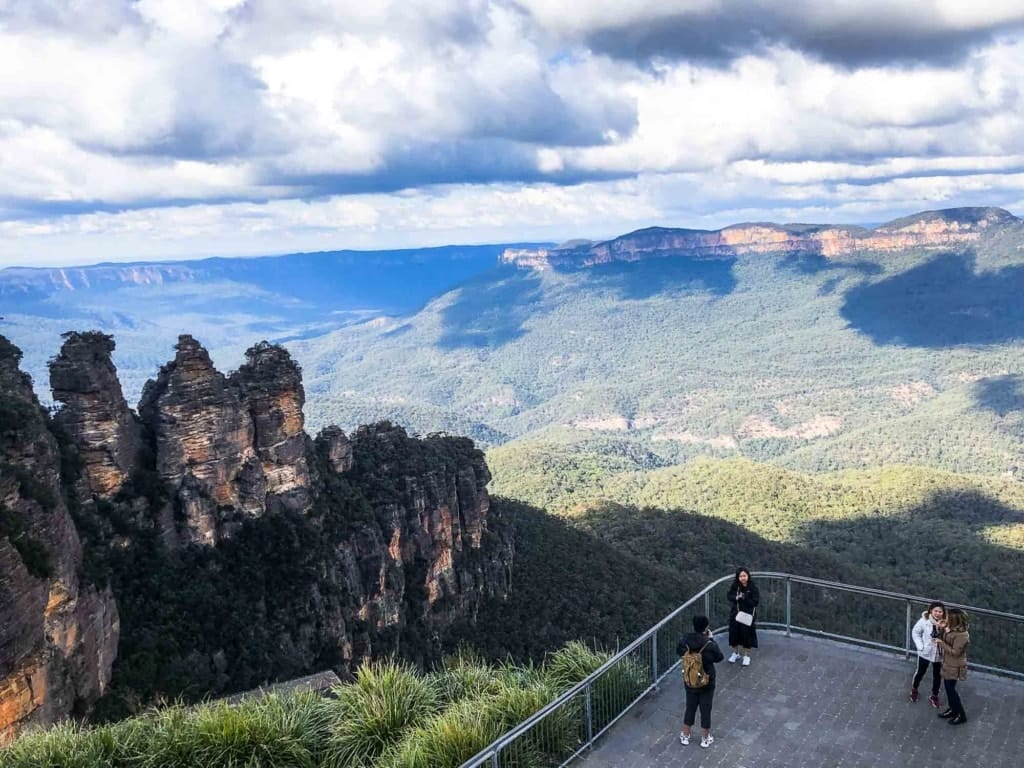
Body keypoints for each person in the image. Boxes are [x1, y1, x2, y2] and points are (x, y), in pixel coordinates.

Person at [676, 614, 724, 749]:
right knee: (706, 708)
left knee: (690, 707)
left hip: (690, 679)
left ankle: (685, 735)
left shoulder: (685, 640)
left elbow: (679, 652)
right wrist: (712, 639)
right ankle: (705, 738)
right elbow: (719, 657)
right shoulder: (709, 644)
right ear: (706, 628)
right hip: (706, 680)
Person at [934, 608, 970, 725]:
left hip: (955, 665)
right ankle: (953, 709)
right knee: (949, 689)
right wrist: (942, 628)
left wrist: (941, 643)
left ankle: (960, 714)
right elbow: (943, 637)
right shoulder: (951, 629)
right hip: (948, 663)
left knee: (951, 690)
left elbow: (955, 652)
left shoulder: (962, 635)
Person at [910, 601, 946, 707]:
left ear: (943, 613)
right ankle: (914, 690)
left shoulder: (946, 623)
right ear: (931, 611)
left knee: (938, 676)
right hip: (925, 652)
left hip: (939, 654)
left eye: (940, 611)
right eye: (935, 611)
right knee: (920, 672)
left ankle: (934, 696)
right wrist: (920, 646)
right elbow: (915, 632)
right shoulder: (924, 621)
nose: (937, 613)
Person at [727, 567, 759, 666]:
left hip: (747, 615)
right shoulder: (735, 586)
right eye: (740, 576)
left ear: (748, 576)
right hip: (735, 614)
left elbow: (755, 602)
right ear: (738, 577)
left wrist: (744, 598)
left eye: (744, 576)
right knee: (733, 634)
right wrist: (736, 597)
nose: (743, 578)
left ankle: (746, 656)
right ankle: (736, 653)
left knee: (747, 636)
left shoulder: (752, 587)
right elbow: (729, 596)